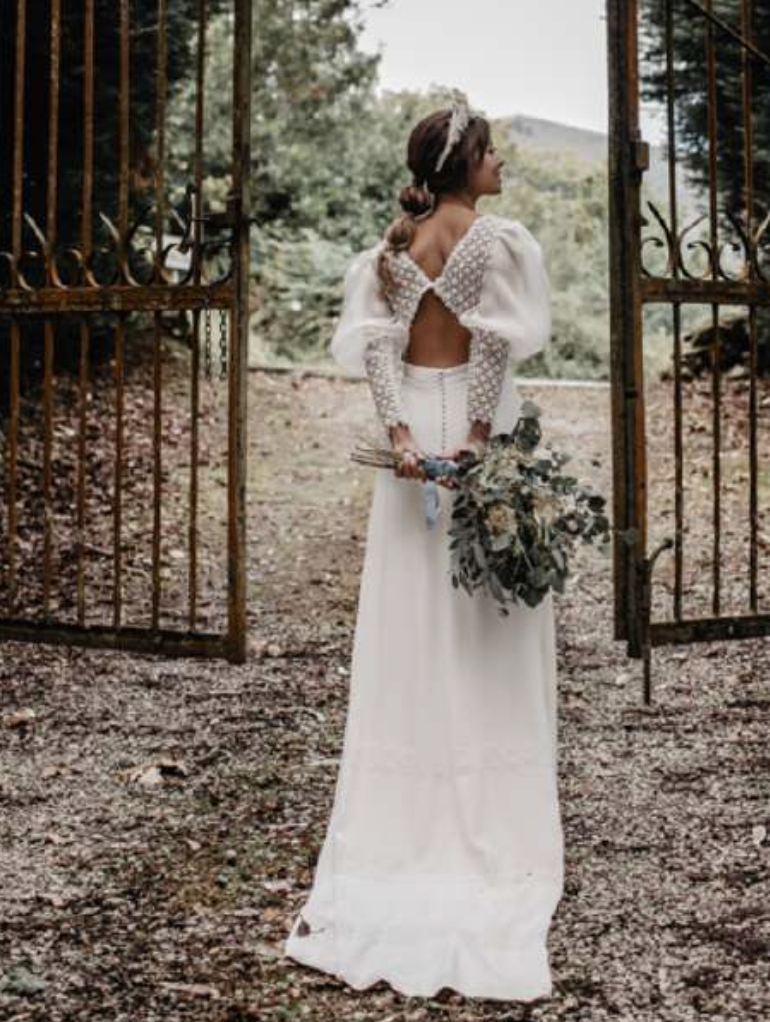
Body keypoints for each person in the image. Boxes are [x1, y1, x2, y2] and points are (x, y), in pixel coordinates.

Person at [281, 93, 564, 1001]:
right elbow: (495, 347)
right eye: (490, 152)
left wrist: (401, 435)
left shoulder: (390, 250)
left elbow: (375, 349)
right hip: (475, 429)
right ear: (463, 165)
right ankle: (489, 814)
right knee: (489, 617)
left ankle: (406, 814)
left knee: (409, 618)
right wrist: (477, 438)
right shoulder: (499, 242)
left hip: (409, 435)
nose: (501, 163)